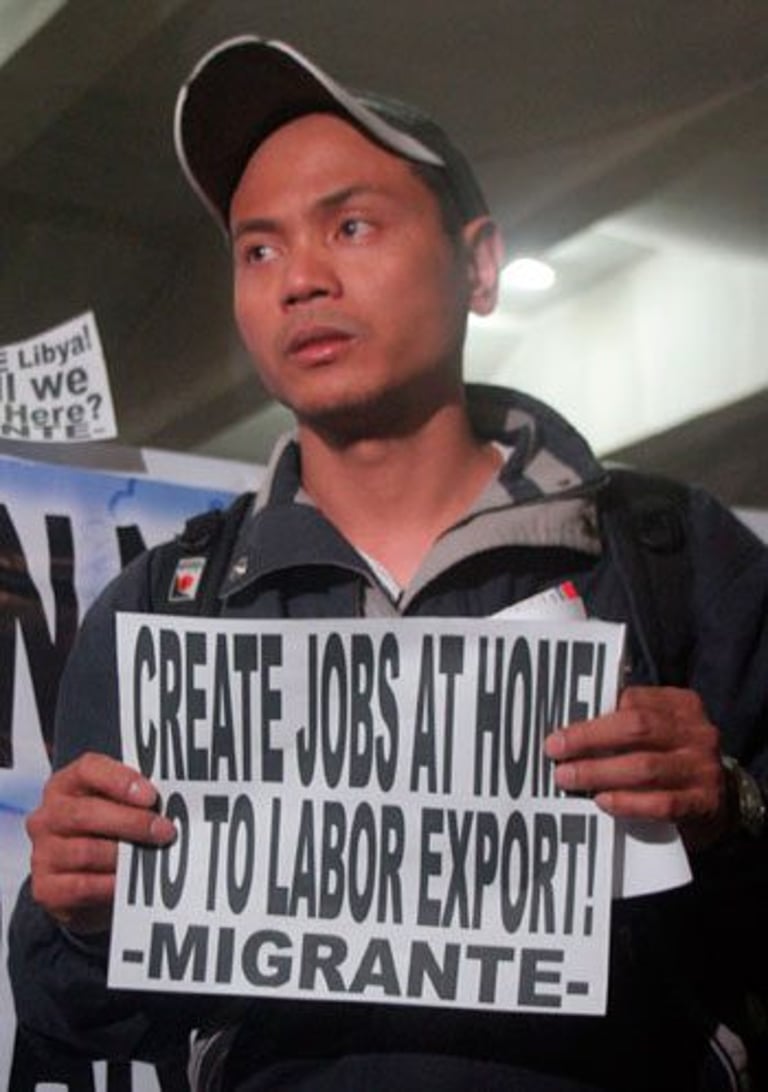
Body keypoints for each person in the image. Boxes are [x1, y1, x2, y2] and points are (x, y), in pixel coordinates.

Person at [9, 36, 768, 1092]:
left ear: (481, 263)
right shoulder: (163, 610)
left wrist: (728, 814)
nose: (301, 280)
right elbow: (71, 1015)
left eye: (351, 225)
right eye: (257, 250)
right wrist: (76, 912)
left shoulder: (676, 558)